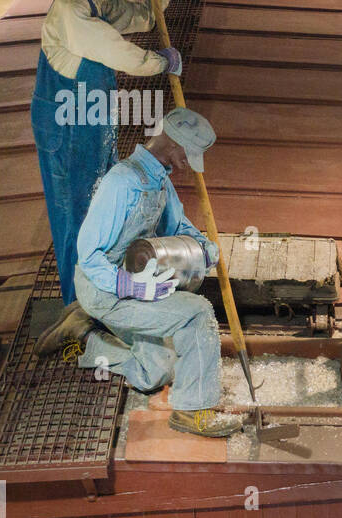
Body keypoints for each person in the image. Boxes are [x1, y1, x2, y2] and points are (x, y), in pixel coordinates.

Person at [33, 108, 244, 439]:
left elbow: (179, 226)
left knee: (157, 371)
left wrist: (204, 248)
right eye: (187, 155)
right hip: (104, 289)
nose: (188, 163)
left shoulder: (159, 180)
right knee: (197, 313)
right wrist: (127, 285)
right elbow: (87, 254)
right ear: (172, 144)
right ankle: (193, 412)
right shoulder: (121, 182)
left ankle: (84, 335)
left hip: (135, 280)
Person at [30, 0, 181, 304]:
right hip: (65, 130)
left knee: (100, 207)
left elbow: (144, 18)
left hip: (91, 122)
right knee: (74, 213)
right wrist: (162, 63)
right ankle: (76, 304)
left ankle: (100, 287)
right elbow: (121, 53)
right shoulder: (71, 11)